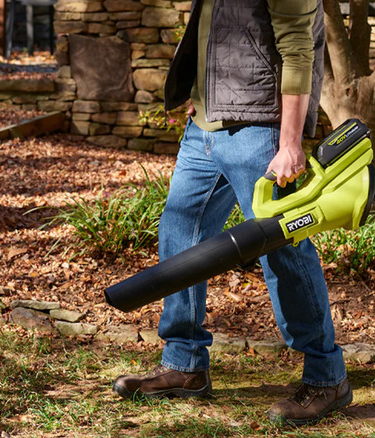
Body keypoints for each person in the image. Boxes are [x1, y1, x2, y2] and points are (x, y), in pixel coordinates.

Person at [112, 0, 352, 427]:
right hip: (205, 128)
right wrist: (200, 94)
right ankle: (185, 366)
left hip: (260, 128)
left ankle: (326, 376)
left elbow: (298, 48)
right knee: (179, 234)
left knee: (283, 249)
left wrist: (290, 143)